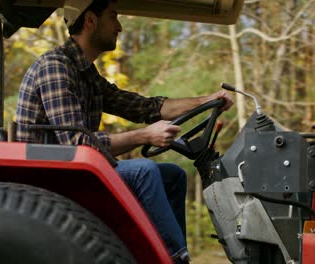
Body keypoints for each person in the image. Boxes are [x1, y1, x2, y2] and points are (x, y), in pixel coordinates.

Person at [14, 0, 234, 263]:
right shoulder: (55, 68)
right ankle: (175, 259)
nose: (119, 27)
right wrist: (144, 136)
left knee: (172, 175)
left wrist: (206, 101)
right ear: (90, 21)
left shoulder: (86, 74)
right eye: (113, 17)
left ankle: (171, 254)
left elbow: (144, 108)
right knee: (144, 171)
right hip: (50, 178)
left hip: (74, 172)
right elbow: (78, 145)